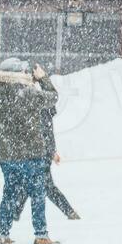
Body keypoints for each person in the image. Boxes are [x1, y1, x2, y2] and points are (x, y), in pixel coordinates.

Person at [0, 58, 60, 244]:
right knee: (37, 194)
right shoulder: (28, 93)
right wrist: (43, 78)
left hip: (7, 155)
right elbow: (53, 97)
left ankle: (2, 233)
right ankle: (41, 234)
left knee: (9, 193)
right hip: (31, 154)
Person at [12, 63, 80, 224]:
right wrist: (43, 79)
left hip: (36, 150)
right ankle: (69, 211)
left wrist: (52, 151)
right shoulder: (35, 99)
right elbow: (52, 97)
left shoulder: (28, 99)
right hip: (38, 151)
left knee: (29, 183)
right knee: (43, 185)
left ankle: (13, 212)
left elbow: (47, 127)